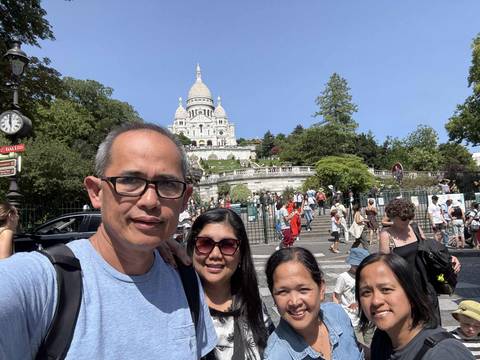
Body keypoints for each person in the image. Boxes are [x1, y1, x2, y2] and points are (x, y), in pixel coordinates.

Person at [0, 123, 217, 359]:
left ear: (184, 199)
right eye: (130, 181)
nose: (150, 200)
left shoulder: (184, 278)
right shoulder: (41, 281)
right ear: (96, 192)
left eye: (168, 184)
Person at [186, 208, 274, 359]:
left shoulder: (253, 304)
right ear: (192, 248)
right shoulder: (176, 307)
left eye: (227, 245)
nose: (215, 255)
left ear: (241, 254)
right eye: (205, 243)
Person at [356, 252, 474, 360]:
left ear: (411, 295)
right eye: (366, 292)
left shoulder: (444, 354)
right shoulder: (382, 338)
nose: (376, 301)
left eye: (386, 289)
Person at [264, 247, 364, 360]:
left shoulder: (338, 314)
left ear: (321, 289)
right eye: (283, 292)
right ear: (273, 296)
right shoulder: (276, 355)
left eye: (303, 289)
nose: (294, 302)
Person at [378, 198, 461, 324]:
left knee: (432, 322)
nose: (406, 222)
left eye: (409, 218)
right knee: (412, 325)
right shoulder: (386, 235)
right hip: (405, 288)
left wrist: (450, 258)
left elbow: (430, 250)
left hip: (425, 284)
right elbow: (383, 266)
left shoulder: (415, 228)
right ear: (393, 217)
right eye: (403, 219)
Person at [333, 247, 373, 346]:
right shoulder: (344, 277)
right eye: (357, 265)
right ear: (352, 264)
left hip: (366, 316)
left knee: (371, 343)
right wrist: (338, 313)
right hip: (351, 317)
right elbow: (336, 295)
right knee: (358, 345)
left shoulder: (366, 275)